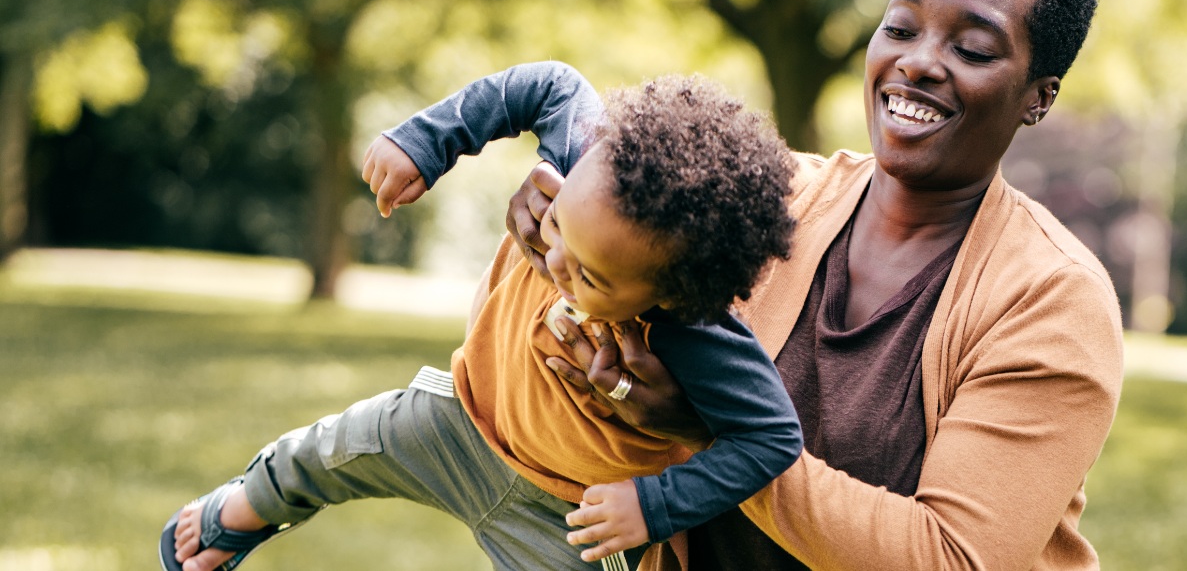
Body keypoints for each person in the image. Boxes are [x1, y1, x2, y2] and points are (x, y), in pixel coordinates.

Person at [368, 0, 1123, 568]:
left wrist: (706, 435)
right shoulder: (764, 199)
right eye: (900, 26)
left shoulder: (1052, 300)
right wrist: (560, 233)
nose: (920, 60)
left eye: (974, 47)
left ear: (1038, 94)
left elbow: (951, 556)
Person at [161, 74, 804, 571]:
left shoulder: (697, 330)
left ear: (675, 294)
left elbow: (771, 437)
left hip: (566, 520)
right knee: (334, 450)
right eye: (557, 229)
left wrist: (654, 506)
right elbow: (546, 83)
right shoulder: (581, 157)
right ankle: (240, 513)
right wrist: (426, 140)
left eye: (590, 276)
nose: (553, 260)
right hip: (461, 420)